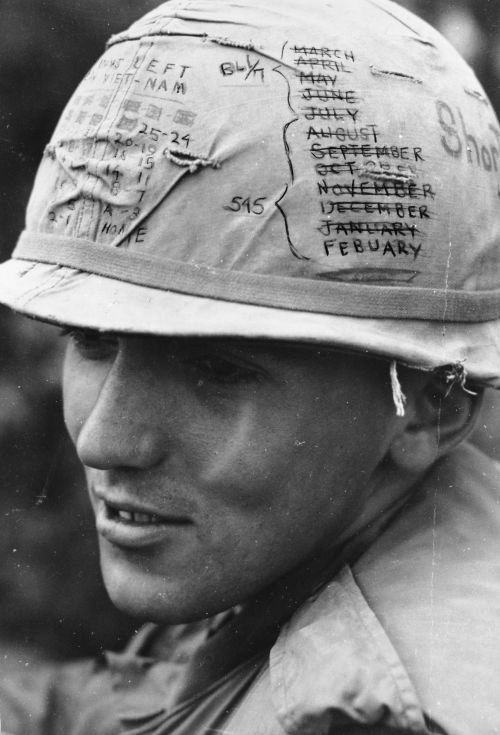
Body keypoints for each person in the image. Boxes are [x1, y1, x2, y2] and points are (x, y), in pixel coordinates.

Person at [0, 0, 500, 732]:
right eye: (94, 341)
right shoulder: (298, 543)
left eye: (215, 368)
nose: (104, 440)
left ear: (432, 400)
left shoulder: (357, 713)